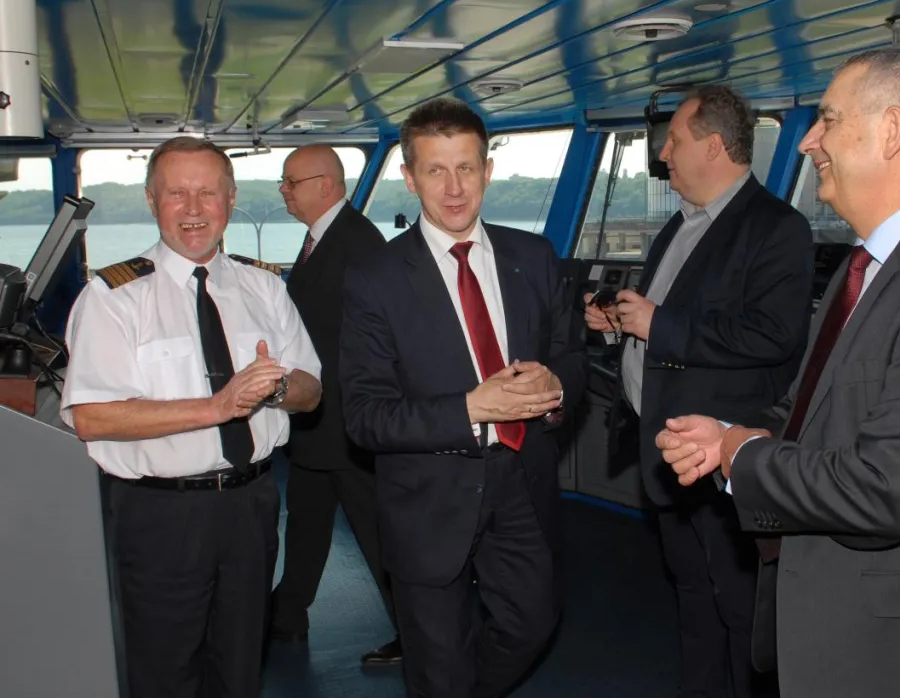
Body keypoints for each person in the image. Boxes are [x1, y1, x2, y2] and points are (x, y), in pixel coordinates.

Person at [658, 48, 900, 698]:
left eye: (828, 119)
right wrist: (728, 432)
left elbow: (887, 489)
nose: (808, 141)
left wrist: (742, 455)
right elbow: (806, 411)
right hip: (847, 629)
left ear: (891, 131)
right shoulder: (865, 269)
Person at [340, 97, 587, 698]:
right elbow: (366, 417)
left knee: (533, 623)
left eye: (466, 168)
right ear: (409, 177)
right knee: (437, 665)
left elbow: (571, 356)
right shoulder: (374, 280)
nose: (454, 189)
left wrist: (555, 387)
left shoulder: (533, 257)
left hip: (520, 481)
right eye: (435, 170)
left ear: (487, 171)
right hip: (428, 496)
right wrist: (471, 408)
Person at [60, 136, 323, 698]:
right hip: (160, 514)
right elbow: (93, 418)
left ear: (231, 199)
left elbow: (311, 392)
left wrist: (275, 387)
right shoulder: (113, 297)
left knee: (240, 666)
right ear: (151, 201)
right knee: (164, 671)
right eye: (177, 193)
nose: (194, 209)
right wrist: (219, 406)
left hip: (251, 506)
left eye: (208, 192)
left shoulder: (264, 286)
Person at [584, 85, 811, 698]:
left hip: (722, 455)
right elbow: (661, 321)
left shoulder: (776, 228)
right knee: (692, 596)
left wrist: (657, 324)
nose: (663, 155)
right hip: (666, 449)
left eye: (675, 142)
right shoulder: (680, 225)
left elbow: (773, 336)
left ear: (713, 146)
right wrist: (619, 324)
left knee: (738, 607)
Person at [269, 144, 400, 665]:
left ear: (326, 185)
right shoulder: (321, 239)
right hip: (318, 421)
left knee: (376, 532)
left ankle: (418, 631)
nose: (284, 190)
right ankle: (287, 615)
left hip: (348, 423)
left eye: (291, 181)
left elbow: (374, 343)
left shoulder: (358, 244)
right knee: (306, 518)